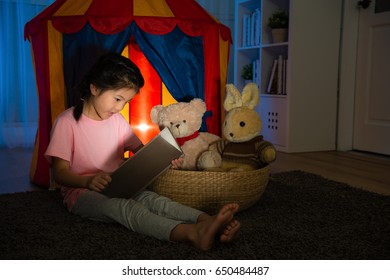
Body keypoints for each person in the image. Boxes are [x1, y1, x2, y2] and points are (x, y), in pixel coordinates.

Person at [45, 52, 240, 251]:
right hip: (82, 193)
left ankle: (209, 221)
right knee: (124, 209)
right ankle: (190, 233)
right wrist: (88, 181)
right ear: (94, 88)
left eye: (125, 103)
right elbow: (59, 173)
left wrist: (163, 159)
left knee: (155, 200)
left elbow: (141, 152)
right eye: (117, 99)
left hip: (120, 185)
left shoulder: (117, 121)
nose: (120, 108)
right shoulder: (66, 122)